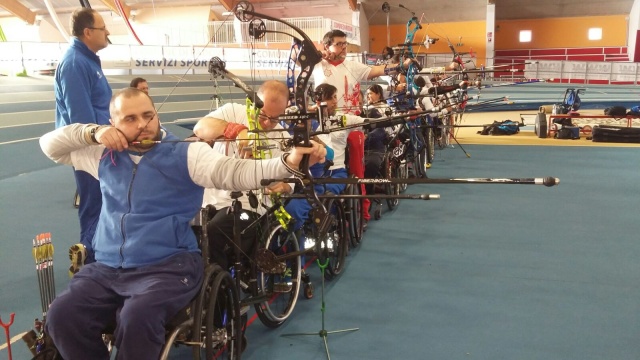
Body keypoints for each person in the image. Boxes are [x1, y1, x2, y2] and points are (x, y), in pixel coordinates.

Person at [39, 87, 326, 360]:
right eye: (130, 118)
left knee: (137, 317)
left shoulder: (187, 154)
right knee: (61, 316)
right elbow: (50, 145)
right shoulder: (101, 155)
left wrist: (287, 163)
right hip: (105, 268)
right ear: (113, 123)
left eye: (148, 115)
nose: (142, 124)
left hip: (167, 267)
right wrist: (93, 132)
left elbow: (236, 171)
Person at [192, 80, 292, 270]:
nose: (266, 123)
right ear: (254, 103)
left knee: (214, 231)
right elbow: (200, 127)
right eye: (262, 115)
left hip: (251, 208)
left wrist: (286, 186)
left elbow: (290, 174)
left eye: (274, 119)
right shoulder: (233, 112)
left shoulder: (283, 137)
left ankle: (219, 288)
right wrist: (236, 130)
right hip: (210, 200)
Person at [54, 8, 112, 273]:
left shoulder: (87, 60)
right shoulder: (75, 63)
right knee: (94, 203)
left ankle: (94, 254)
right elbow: (80, 119)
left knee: (105, 202)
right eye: (103, 28)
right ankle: (88, 262)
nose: (108, 32)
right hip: (89, 149)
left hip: (99, 145)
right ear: (88, 32)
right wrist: (99, 140)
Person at [312, 29, 412, 115]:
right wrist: (319, 54)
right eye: (339, 44)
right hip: (327, 121)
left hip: (352, 123)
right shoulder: (317, 64)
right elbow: (296, 56)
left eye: (345, 43)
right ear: (326, 46)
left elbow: (377, 70)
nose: (343, 47)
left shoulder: (353, 66)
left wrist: (401, 66)